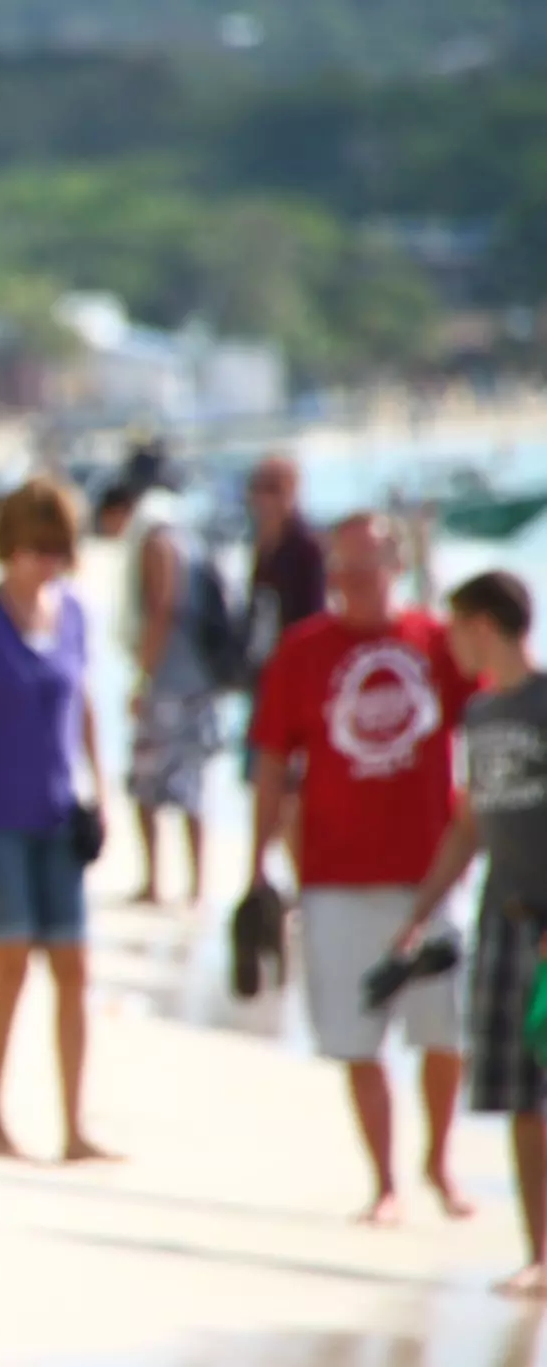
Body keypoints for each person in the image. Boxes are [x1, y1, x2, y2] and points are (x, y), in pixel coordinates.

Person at [248, 512, 477, 1226]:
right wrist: (256, 861)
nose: (350, 584)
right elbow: (272, 763)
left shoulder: (435, 643)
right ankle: (384, 1180)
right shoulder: (301, 651)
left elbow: (501, 709)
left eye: (365, 569)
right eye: (339, 571)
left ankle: (438, 1159)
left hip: (429, 874)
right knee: (355, 1035)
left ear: (395, 568)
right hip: (334, 875)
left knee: (446, 1031)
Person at [0, 477, 115, 1163]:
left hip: (60, 816)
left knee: (74, 966)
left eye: (58, 550)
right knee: (10, 968)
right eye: (36, 548)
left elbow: (85, 704)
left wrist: (102, 790)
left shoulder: (74, 614)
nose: (48, 562)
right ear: (10, 544)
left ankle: (73, 1127)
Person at [402, 571, 545, 1290]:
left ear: (482, 624)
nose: (447, 642)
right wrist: (422, 908)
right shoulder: (482, 716)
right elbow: (470, 825)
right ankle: (540, 1254)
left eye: (454, 627)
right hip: (502, 918)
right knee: (523, 1095)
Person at [97, 479, 220, 908]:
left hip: (170, 682)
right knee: (190, 786)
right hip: (199, 681)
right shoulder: (183, 530)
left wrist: (142, 680)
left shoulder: (155, 539)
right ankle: (195, 886)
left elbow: (163, 607)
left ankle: (157, 882)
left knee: (148, 785)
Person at [242, 455, 327, 877]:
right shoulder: (264, 545)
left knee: (290, 791)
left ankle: (301, 878)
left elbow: (314, 620)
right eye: (260, 488)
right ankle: (271, 873)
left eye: (274, 489)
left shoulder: (305, 548)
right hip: (264, 680)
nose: (264, 499)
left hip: (297, 683)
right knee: (266, 783)